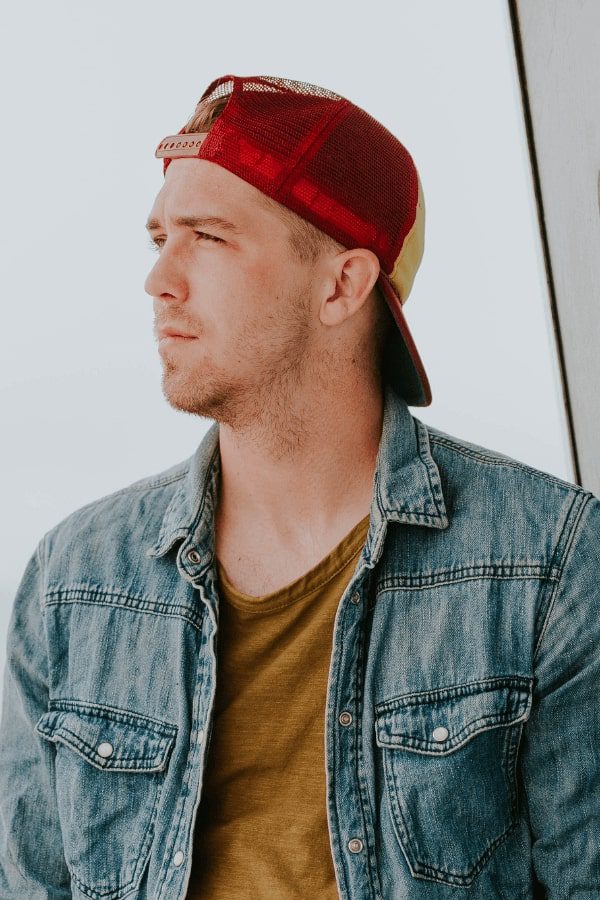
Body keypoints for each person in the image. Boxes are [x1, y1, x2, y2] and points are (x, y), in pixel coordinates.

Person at [0, 72, 598, 900]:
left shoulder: (549, 564)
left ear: (342, 284)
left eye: (208, 237)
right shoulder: (73, 580)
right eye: (160, 238)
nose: (159, 280)